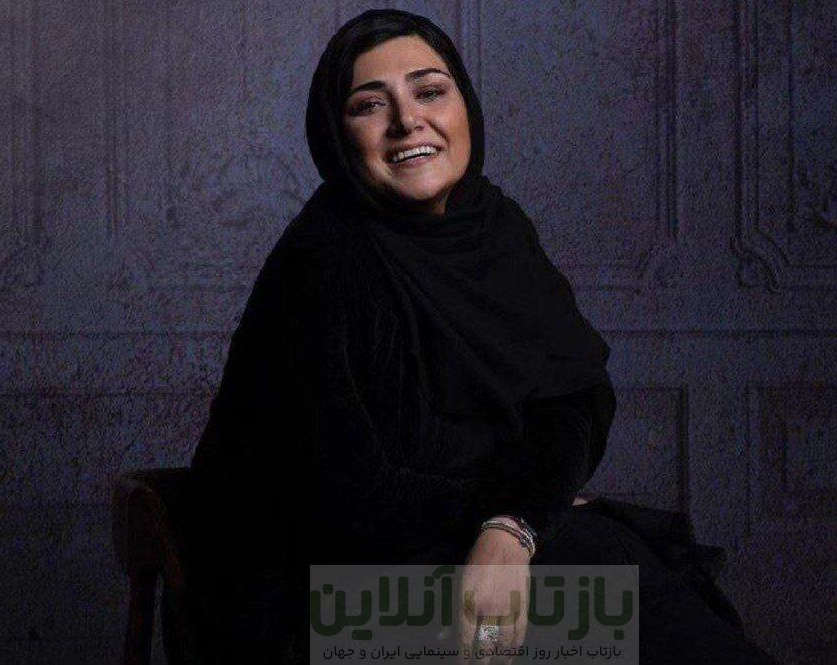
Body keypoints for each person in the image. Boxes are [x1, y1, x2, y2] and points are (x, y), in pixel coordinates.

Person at [184, 8, 781, 665]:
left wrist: (514, 523)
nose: (408, 120)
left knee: (622, 580)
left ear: (464, 105)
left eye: (429, 91)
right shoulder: (327, 258)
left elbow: (573, 400)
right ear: (336, 133)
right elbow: (348, 497)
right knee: (615, 589)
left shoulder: (496, 228)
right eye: (370, 105)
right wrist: (518, 512)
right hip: (313, 609)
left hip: (442, 555)